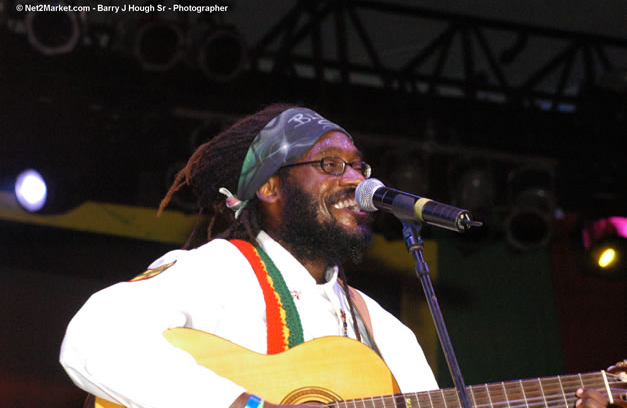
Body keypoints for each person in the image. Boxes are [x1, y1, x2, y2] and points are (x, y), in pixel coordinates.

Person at [59, 104, 610, 408]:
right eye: (329, 165)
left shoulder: (388, 334)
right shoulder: (220, 271)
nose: (354, 180)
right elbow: (91, 339)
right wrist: (247, 406)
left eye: (359, 167)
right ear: (270, 187)